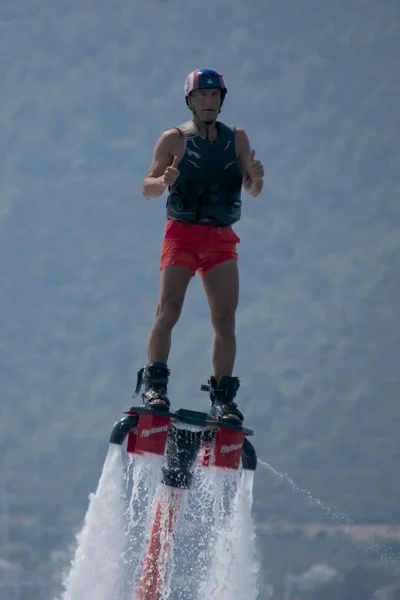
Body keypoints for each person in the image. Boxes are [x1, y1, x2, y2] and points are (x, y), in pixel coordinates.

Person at [133, 68, 264, 424]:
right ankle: (154, 387)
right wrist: (163, 180)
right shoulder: (173, 139)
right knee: (169, 309)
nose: (209, 102)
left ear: (222, 100)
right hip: (182, 233)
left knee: (225, 319)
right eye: (202, 96)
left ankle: (222, 399)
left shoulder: (236, 138)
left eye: (214, 96)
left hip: (220, 236)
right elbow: (146, 188)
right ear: (190, 100)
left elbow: (251, 190)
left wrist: (255, 179)